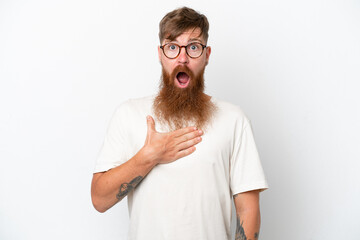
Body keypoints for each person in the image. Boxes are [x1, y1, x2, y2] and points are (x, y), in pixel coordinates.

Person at [91, 6, 268, 240]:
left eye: (193, 47)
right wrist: (149, 156)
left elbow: (248, 208)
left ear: (207, 55)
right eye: (172, 47)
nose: (182, 58)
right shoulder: (129, 114)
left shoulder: (234, 119)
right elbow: (99, 200)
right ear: (160, 54)